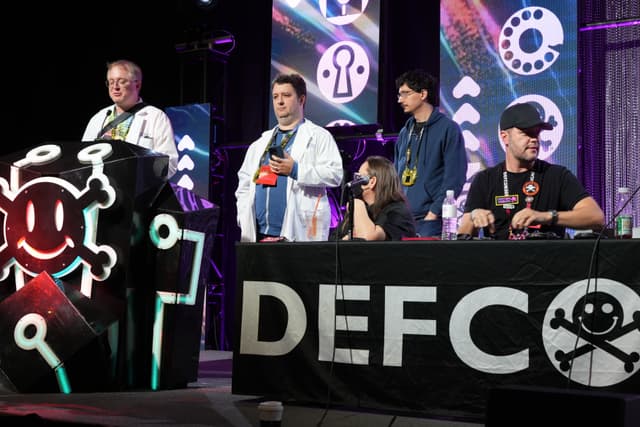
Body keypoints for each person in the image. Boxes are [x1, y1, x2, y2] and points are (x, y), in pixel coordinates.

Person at [458, 102, 605, 240]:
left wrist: (547, 216)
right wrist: (473, 217)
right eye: (527, 133)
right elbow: (463, 234)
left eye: (537, 133)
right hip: (499, 262)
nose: (534, 139)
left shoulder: (556, 175)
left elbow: (596, 217)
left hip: (547, 263)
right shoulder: (486, 179)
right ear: (505, 137)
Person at [235, 73, 343, 242]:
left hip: (297, 232)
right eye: (275, 96)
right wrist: (243, 216)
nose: (279, 102)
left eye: (286, 95)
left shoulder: (319, 136)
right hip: (259, 234)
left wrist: (295, 170)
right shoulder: (261, 143)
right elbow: (244, 183)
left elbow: (335, 175)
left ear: (301, 100)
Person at [394, 69, 468, 237]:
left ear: (423, 94)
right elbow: (396, 176)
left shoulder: (448, 129)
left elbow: (454, 178)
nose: (400, 100)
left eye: (405, 94)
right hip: (403, 219)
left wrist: (433, 213)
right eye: (399, 95)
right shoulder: (404, 133)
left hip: (431, 220)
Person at [82, 59, 179, 178]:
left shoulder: (156, 117)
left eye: (121, 81)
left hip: (137, 191)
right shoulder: (98, 118)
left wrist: (140, 180)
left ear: (137, 85)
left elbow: (169, 162)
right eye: (111, 82)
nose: (115, 87)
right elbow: (82, 157)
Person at [337, 155, 416, 241]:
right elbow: (335, 239)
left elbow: (368, 238)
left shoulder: (397, 212)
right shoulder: (364, 209)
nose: (354, 182)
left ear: (371, 182)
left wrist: (357, 205)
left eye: (358, 177)